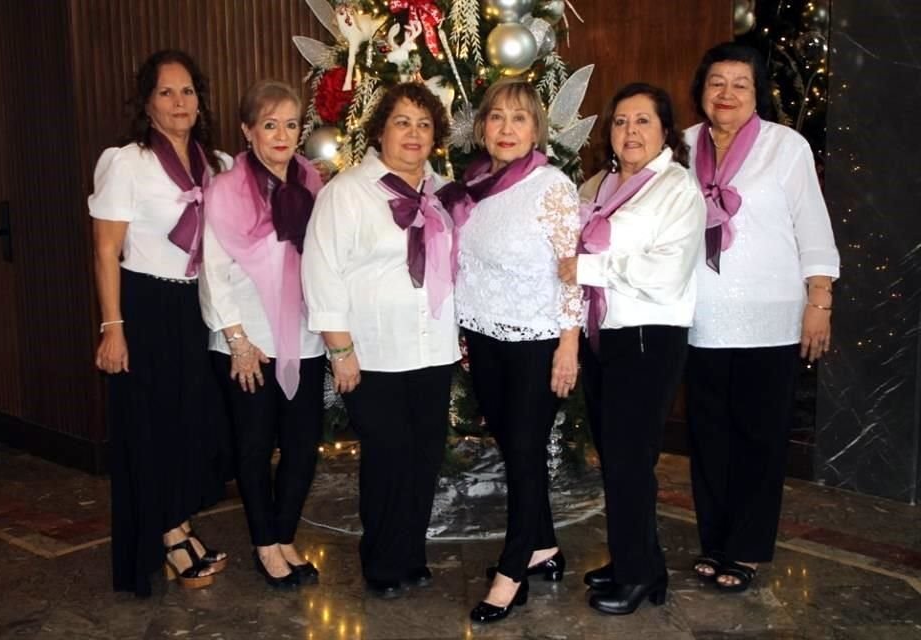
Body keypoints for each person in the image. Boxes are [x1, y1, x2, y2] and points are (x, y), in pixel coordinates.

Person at [683, 42, 839, 592]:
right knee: (708, 436)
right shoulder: (680, 146)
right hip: (698, 317)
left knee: (758, 435)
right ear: (701, 89)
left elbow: (813, 227)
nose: (725, 94)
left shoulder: (784, 146)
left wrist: (819, 300)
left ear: (757, 93)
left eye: (739, 84)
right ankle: (714, 541)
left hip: (770, 316)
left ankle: (745, 549)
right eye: (716, 82)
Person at [301, 83, 458, 599]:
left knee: (424, 457)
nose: (413, 134)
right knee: (388, 456)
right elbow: (321, 272)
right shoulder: (347, 191)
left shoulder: (441, 193)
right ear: (380, 130)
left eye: (423, 124)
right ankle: (382, 561)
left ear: (435, 137)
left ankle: (411, 552)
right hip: (372, 353)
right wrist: (339, 349)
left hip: (432, 349)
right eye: (402, 122)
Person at [558, 82, 706, 615]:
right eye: (620, 121)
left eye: (643, 121)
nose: (630, 131)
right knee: (618, 459)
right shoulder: (596, 184)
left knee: (628, 459)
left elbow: (665, 274)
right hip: (604, 336)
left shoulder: (677, 189)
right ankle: (637, 562)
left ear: (666, 130)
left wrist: (589, 268)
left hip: (649, 336)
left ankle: (638, 574)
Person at [441, 77, 583, 624]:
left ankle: (512, 569)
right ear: (481, 127)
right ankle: (543, 546)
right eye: (497, 117)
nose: (506, 128)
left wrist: (569, 344)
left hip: (537, 338)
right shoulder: (476, 183)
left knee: (524, 453)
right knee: (512, 446)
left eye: (519, 118)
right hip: (485, 335)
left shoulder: (552, 186)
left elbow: (572, 273)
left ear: (536, 130)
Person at [89, 49, 229, 597]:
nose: (179, 102)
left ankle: (179, 521)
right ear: (147, 102)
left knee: (190, 425)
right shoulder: (127, 162)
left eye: (188, 91)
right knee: (148, 430)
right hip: (143, 308)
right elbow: (106, 250)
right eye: (166, 92)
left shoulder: (214, 163)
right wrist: (112, 325)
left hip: (195, 307)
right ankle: (167, 537)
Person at [199, 80, 326, 589]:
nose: (281, 134)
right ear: (248, 130)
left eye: (291, 124)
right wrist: (238, 340)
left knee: (303, 444)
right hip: (246, 340)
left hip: (304, 335)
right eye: (269, 124)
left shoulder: (312, 181)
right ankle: (265, 546)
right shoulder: (226, 188)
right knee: (253, 446)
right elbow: (212, 269)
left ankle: (285, 534)